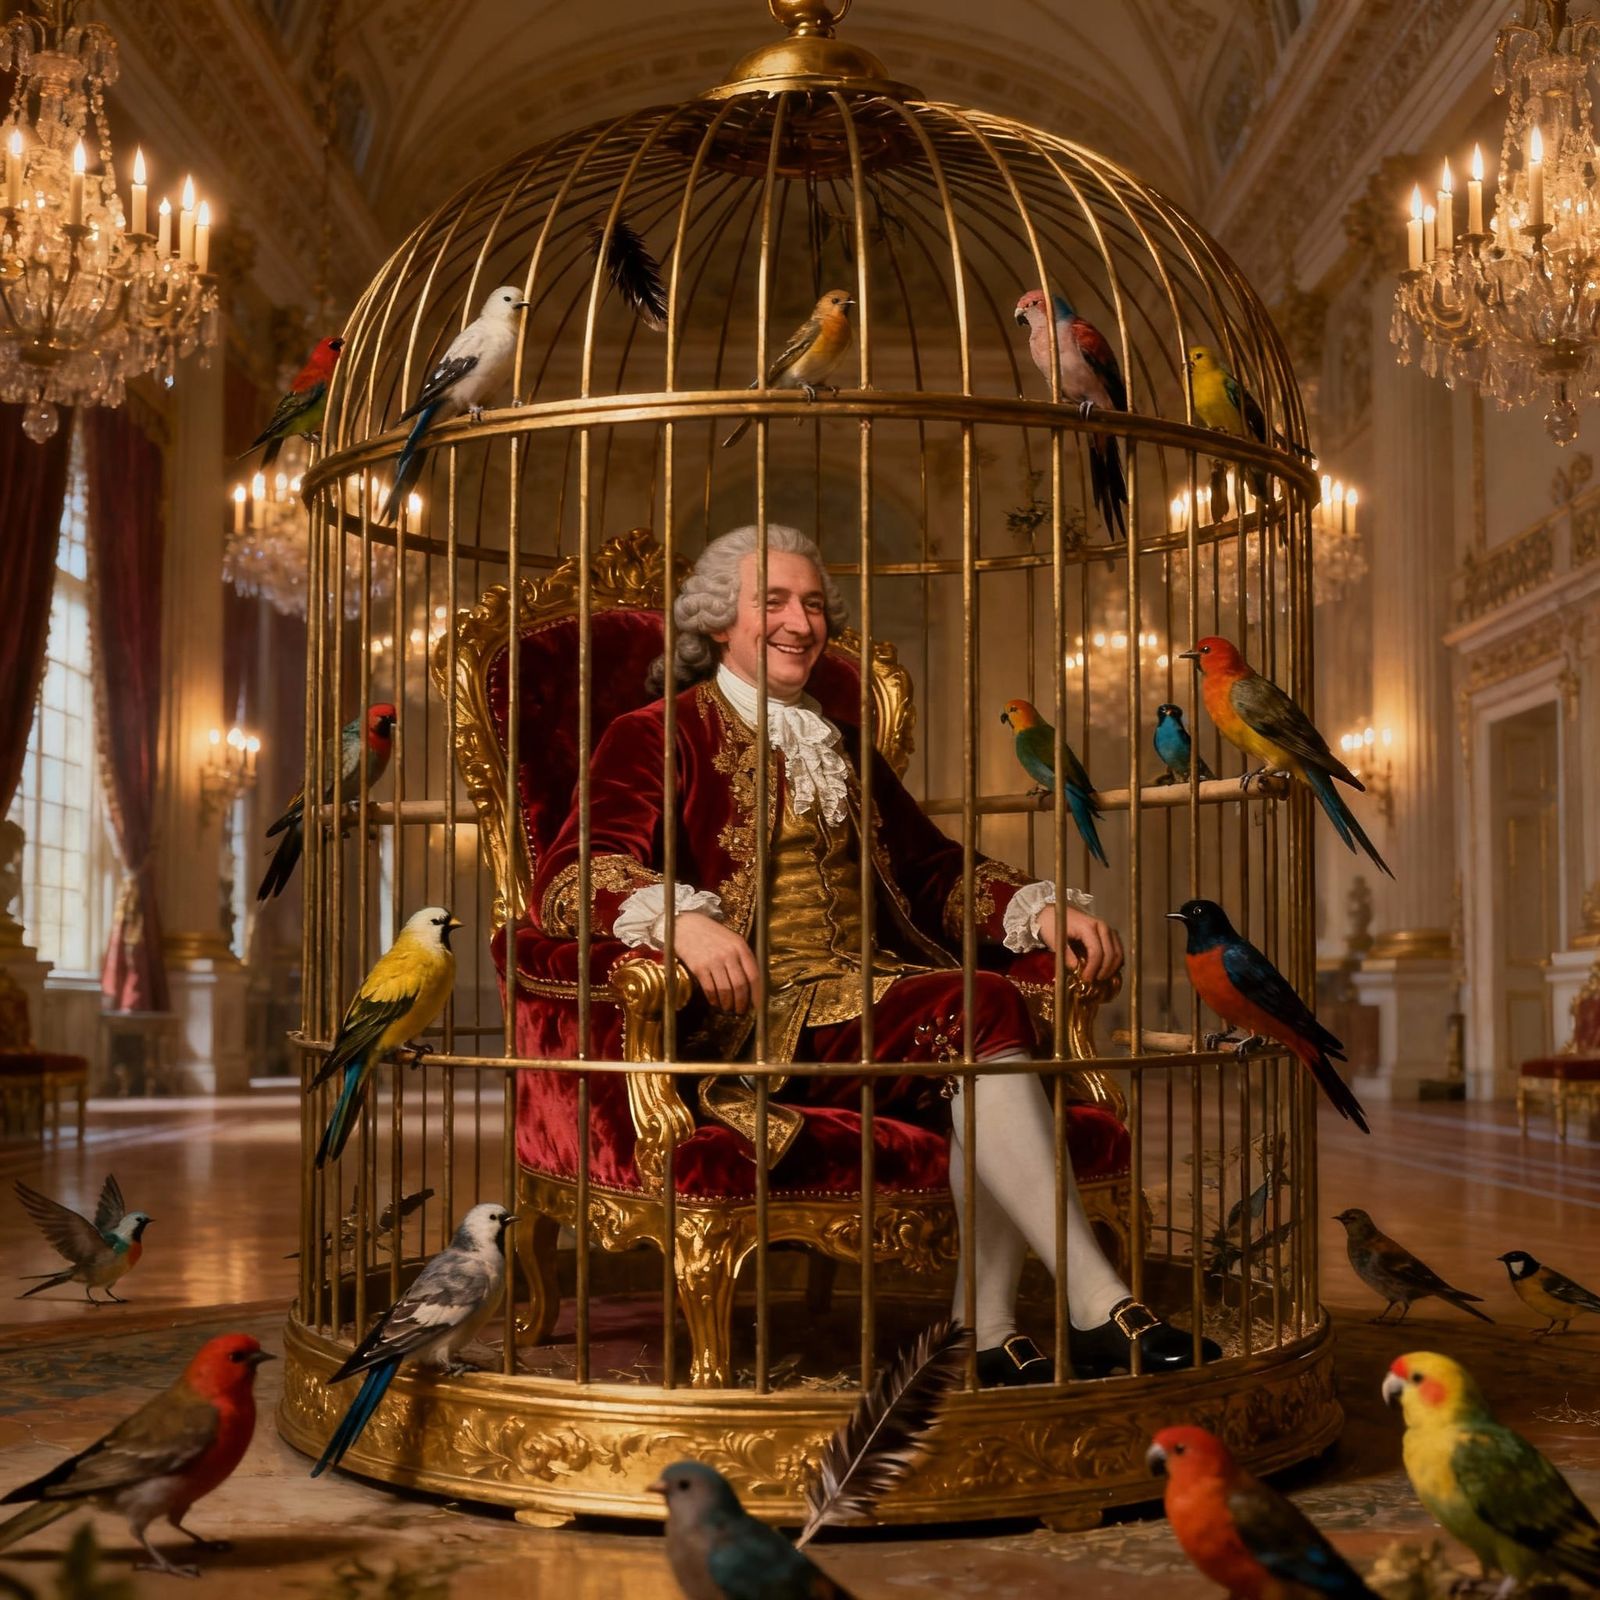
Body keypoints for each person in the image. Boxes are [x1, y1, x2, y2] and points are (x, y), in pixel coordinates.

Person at [533, 524, 1217, 1382]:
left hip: (872, 1000)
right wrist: (679, 921)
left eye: (813, 604)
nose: (799, 621)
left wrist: (1036, 911)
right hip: (751, 1024)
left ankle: (989, 1331)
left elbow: (933, 871)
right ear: (718, 623)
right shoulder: (658, 732)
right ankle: (1094, 1301)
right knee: (984, 1010)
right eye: (772, 602)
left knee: (985, 1027)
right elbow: (568, 876)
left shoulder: (841, 743)